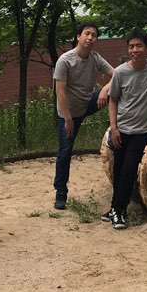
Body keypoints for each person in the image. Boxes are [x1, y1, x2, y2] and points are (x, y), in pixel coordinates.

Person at [105, 30, 147, 230]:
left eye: (139, 46)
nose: (135, 50)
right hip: (121, 129)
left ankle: (119, 210)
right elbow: (113, 100)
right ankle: (115, 208)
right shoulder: (120, 72)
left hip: (141, 131)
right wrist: (114, 128)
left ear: (146, 47)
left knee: (129, 170)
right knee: (118, 170)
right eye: (131, 46)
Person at [52, 22, 114, 210]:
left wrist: (105, 89)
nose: (90, 38)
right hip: (68, 113)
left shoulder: (95, 58)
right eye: (87, 33)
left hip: (88, 103)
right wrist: (68, 119)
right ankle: (60, 194)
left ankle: (122, 123)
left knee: (118, 88)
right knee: (65, 152)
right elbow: (60, 93)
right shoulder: (65, 60)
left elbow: (118, 74)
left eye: (94, 35)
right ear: (78, 36)